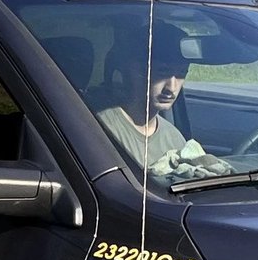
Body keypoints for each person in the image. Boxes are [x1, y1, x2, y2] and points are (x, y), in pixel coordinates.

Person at [90, 32, 214, 180]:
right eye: (162, 72)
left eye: (181, 74)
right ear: (133, 71)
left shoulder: (174, 137)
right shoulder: (103, 130)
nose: (172, 87)